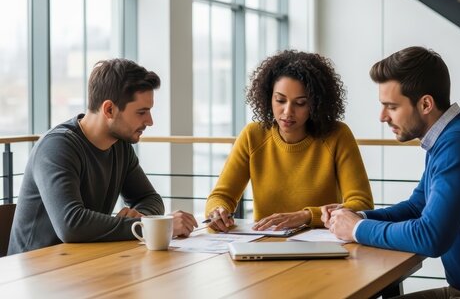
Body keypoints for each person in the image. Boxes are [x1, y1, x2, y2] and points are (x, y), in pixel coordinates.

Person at [322, 46, 460, 298]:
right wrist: (355, 216)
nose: (382, 117)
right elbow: (417, 207)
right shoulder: (450, 138)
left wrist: (357, 229)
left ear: (425, 103)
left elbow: (431, 237)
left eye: (391, 106)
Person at [9, 59, 197, 255]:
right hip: (35, 275)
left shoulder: (120, 146)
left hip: (82, 265)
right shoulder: (57, 147)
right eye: (141, 112)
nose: (149, 121)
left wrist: (139, 216)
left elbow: (149, 198)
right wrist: (151, 226)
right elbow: (71, 225)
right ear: (109, 109)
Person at [205, 50, 374, 232]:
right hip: (265, 245)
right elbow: (222, 195)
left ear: (315, 104)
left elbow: (362, 204)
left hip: (323, 246)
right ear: (268, 97)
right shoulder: (252, 135)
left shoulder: (337, 135)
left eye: (300, 103)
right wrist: (217, 211)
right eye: (280, 100)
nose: (287, 112)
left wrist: (306, 216)